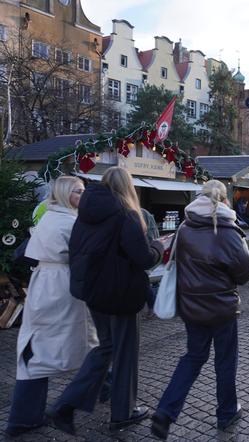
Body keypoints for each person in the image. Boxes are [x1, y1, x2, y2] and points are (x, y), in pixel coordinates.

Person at [47, 167, 164, 435]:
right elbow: (143, 258)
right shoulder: (126, 215)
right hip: (121, 293)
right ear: (128, 187)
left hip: (94, 292)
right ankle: (123, 413)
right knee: (125, 353)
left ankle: (66, 403)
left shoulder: (85, 214)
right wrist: (159, 246)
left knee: (105, 347)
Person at [150, 180, 249, 439]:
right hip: (222, 309)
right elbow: (243, 273)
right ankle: (227, 411)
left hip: (192, 307)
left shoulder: (185, 228)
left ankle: (165, 411)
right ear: (224, 199)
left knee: (193, 358)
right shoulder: (229, 230)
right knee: (225, 360)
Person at [5, 177, 97, 438]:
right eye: (78, 191)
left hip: (45, 284)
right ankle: (85, 396)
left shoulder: (52, 216)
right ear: (66, 194)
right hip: (60, 287)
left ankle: (25, 416)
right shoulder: (69, 221)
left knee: (36, 351)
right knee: (92, 346)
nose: (83, 195)